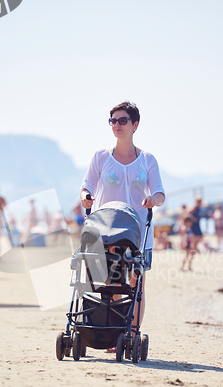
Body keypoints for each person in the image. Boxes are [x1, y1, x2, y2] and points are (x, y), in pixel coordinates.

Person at [80, 101, 165, 342]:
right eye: (113, 120)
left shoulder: (147, 159)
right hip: (108, 230)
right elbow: (86, 186)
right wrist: (85, 198)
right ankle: (116, 335)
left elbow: (159, 192)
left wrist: (153, 200)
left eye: (122, 120)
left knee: (136, 285)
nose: (117, 125)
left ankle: (132, 334)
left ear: (135, 125)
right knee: (113, 284)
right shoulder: (100, 156)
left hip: (139, 233)